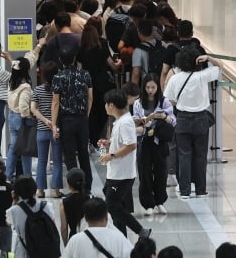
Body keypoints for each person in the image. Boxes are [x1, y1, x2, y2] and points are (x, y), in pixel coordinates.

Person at [165, 48, 225, 198]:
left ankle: (185, 190)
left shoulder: (175, 78)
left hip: (183, 119)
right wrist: (209, 57)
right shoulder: (202, 76)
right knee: (200, 155)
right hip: (200, 119)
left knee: (184, 155)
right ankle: (200, 190)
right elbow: (220, 66)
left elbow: (169, 100)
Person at [98, 88, 151, 239]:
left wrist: (112, 155)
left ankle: (141, 231)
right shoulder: (120, 122)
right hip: (116, 172)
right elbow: (123, 142)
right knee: (114, 203)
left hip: (122, 174)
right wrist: (109, 144)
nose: (105, 107)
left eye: (106, 104)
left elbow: (131, 145)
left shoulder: (125, 123)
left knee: (113, 205)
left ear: (112, 105)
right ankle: (121, 236)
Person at [134, 73, 174, 214]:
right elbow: (136, 122)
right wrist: (145, 124)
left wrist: (165, 117)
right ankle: (148, 204)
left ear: (158, 87)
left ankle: (160, 201)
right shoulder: (138, 103)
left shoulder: (164, 102)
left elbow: (173, 121)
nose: (150, 90)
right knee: (144, 172)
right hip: (144, 141)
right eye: (148, 87)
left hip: (160, 140)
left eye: (153, 87)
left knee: (161, 172)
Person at [52, 47, 94, 179]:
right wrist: (85, 115)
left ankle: (75, 186)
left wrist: (53, 124)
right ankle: (87, 186)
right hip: (82, 118)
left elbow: (55, 102)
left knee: (70, 155)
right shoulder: (85, 74)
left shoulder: (58, 77)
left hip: (66, 120)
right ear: (74, 59)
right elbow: (90, 97)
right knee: (83, 154)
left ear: (60, 60)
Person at [31, 61, 64, 198]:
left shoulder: (37, 90)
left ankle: (40, 190)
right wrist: (53, 123)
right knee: (57, 161)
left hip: (41, 129)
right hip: (56, 130)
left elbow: (33, 109)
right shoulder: (60, 90)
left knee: (42, 160)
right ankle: (56, 190)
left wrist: (45, 120)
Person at [6, 57, 35, 178]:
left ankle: (7, 175)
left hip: (12, 115)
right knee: (25, 150)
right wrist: (28, 116)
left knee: (14, 148)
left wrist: (9, 58)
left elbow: (15, 64)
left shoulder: (12, 82)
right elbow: (23, 105)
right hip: (21, 119)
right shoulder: (25, 87)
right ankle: (27, 176)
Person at [60, 168, 88, 242]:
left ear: (68, 184)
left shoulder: (64, 202)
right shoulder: (91, 199)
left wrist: (66, 245)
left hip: (74, 238)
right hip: (89, 238)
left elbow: (64, 228)